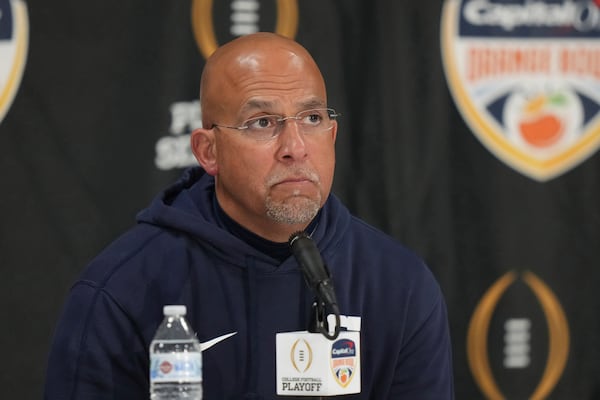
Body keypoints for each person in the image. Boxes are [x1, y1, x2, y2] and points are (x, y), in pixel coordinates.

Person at [44, 32, 454, 399]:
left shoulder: (400, 285)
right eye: (262, 122)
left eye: (312, 118)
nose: (295, 146)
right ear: (208, 151)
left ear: (332, 134)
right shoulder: (121, 291)